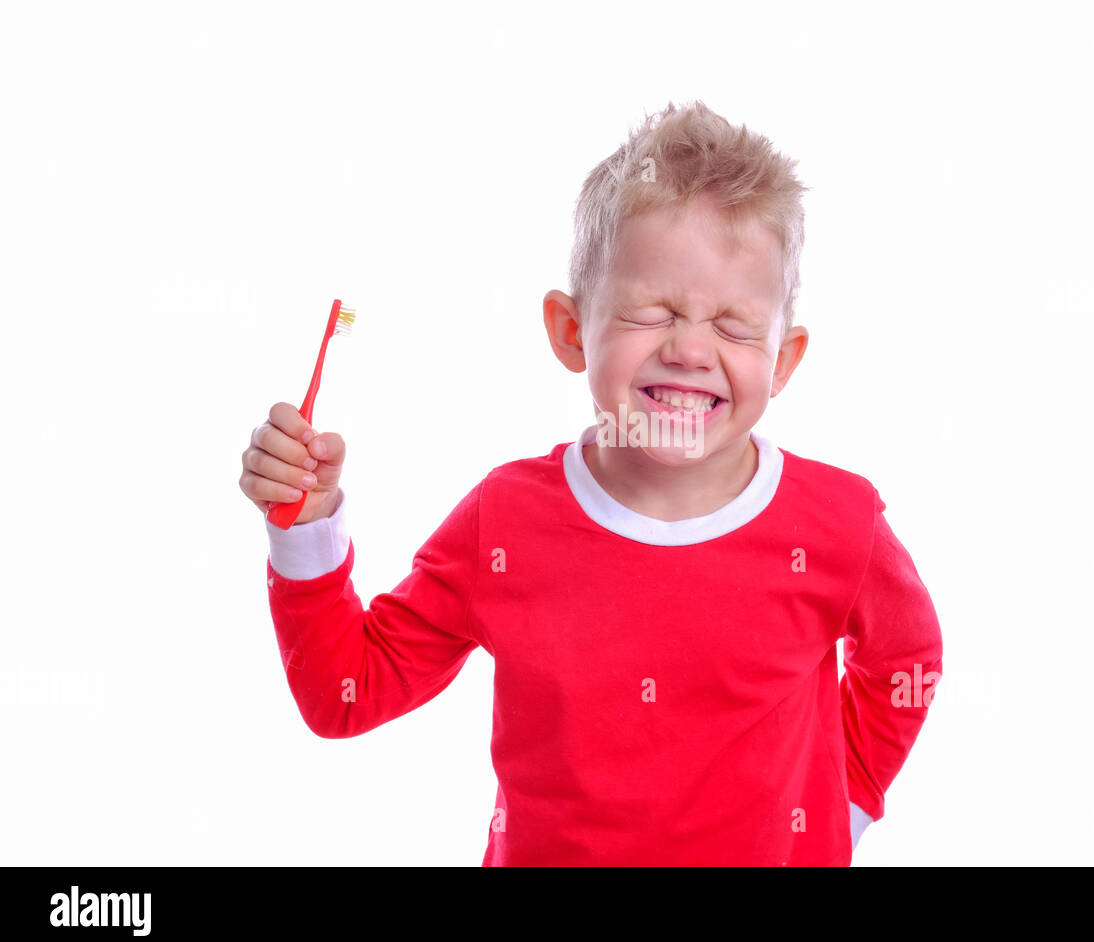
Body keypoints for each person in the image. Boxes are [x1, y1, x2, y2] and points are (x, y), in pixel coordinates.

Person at [239, 100, 943, 865]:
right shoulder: (504, 521)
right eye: (654, 312)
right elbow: (347, 693)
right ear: (572, 332)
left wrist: (846, 804)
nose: (690, 350)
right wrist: (304, 531)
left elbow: (907, 660)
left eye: (735, 327)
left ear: (782, 362)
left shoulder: (839, 522)